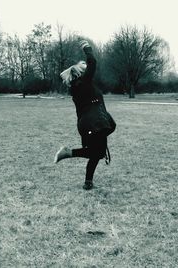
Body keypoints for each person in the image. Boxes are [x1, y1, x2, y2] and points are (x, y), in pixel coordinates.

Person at [55, 40, 116, 190]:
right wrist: (87, 48)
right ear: (80, 73)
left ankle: (88, 182)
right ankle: (68, 153)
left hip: (89, 124)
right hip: (96, 122)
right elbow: (93, 62)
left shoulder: (76, 88)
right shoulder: (84, 82)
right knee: (98, 152)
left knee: (97, 152)